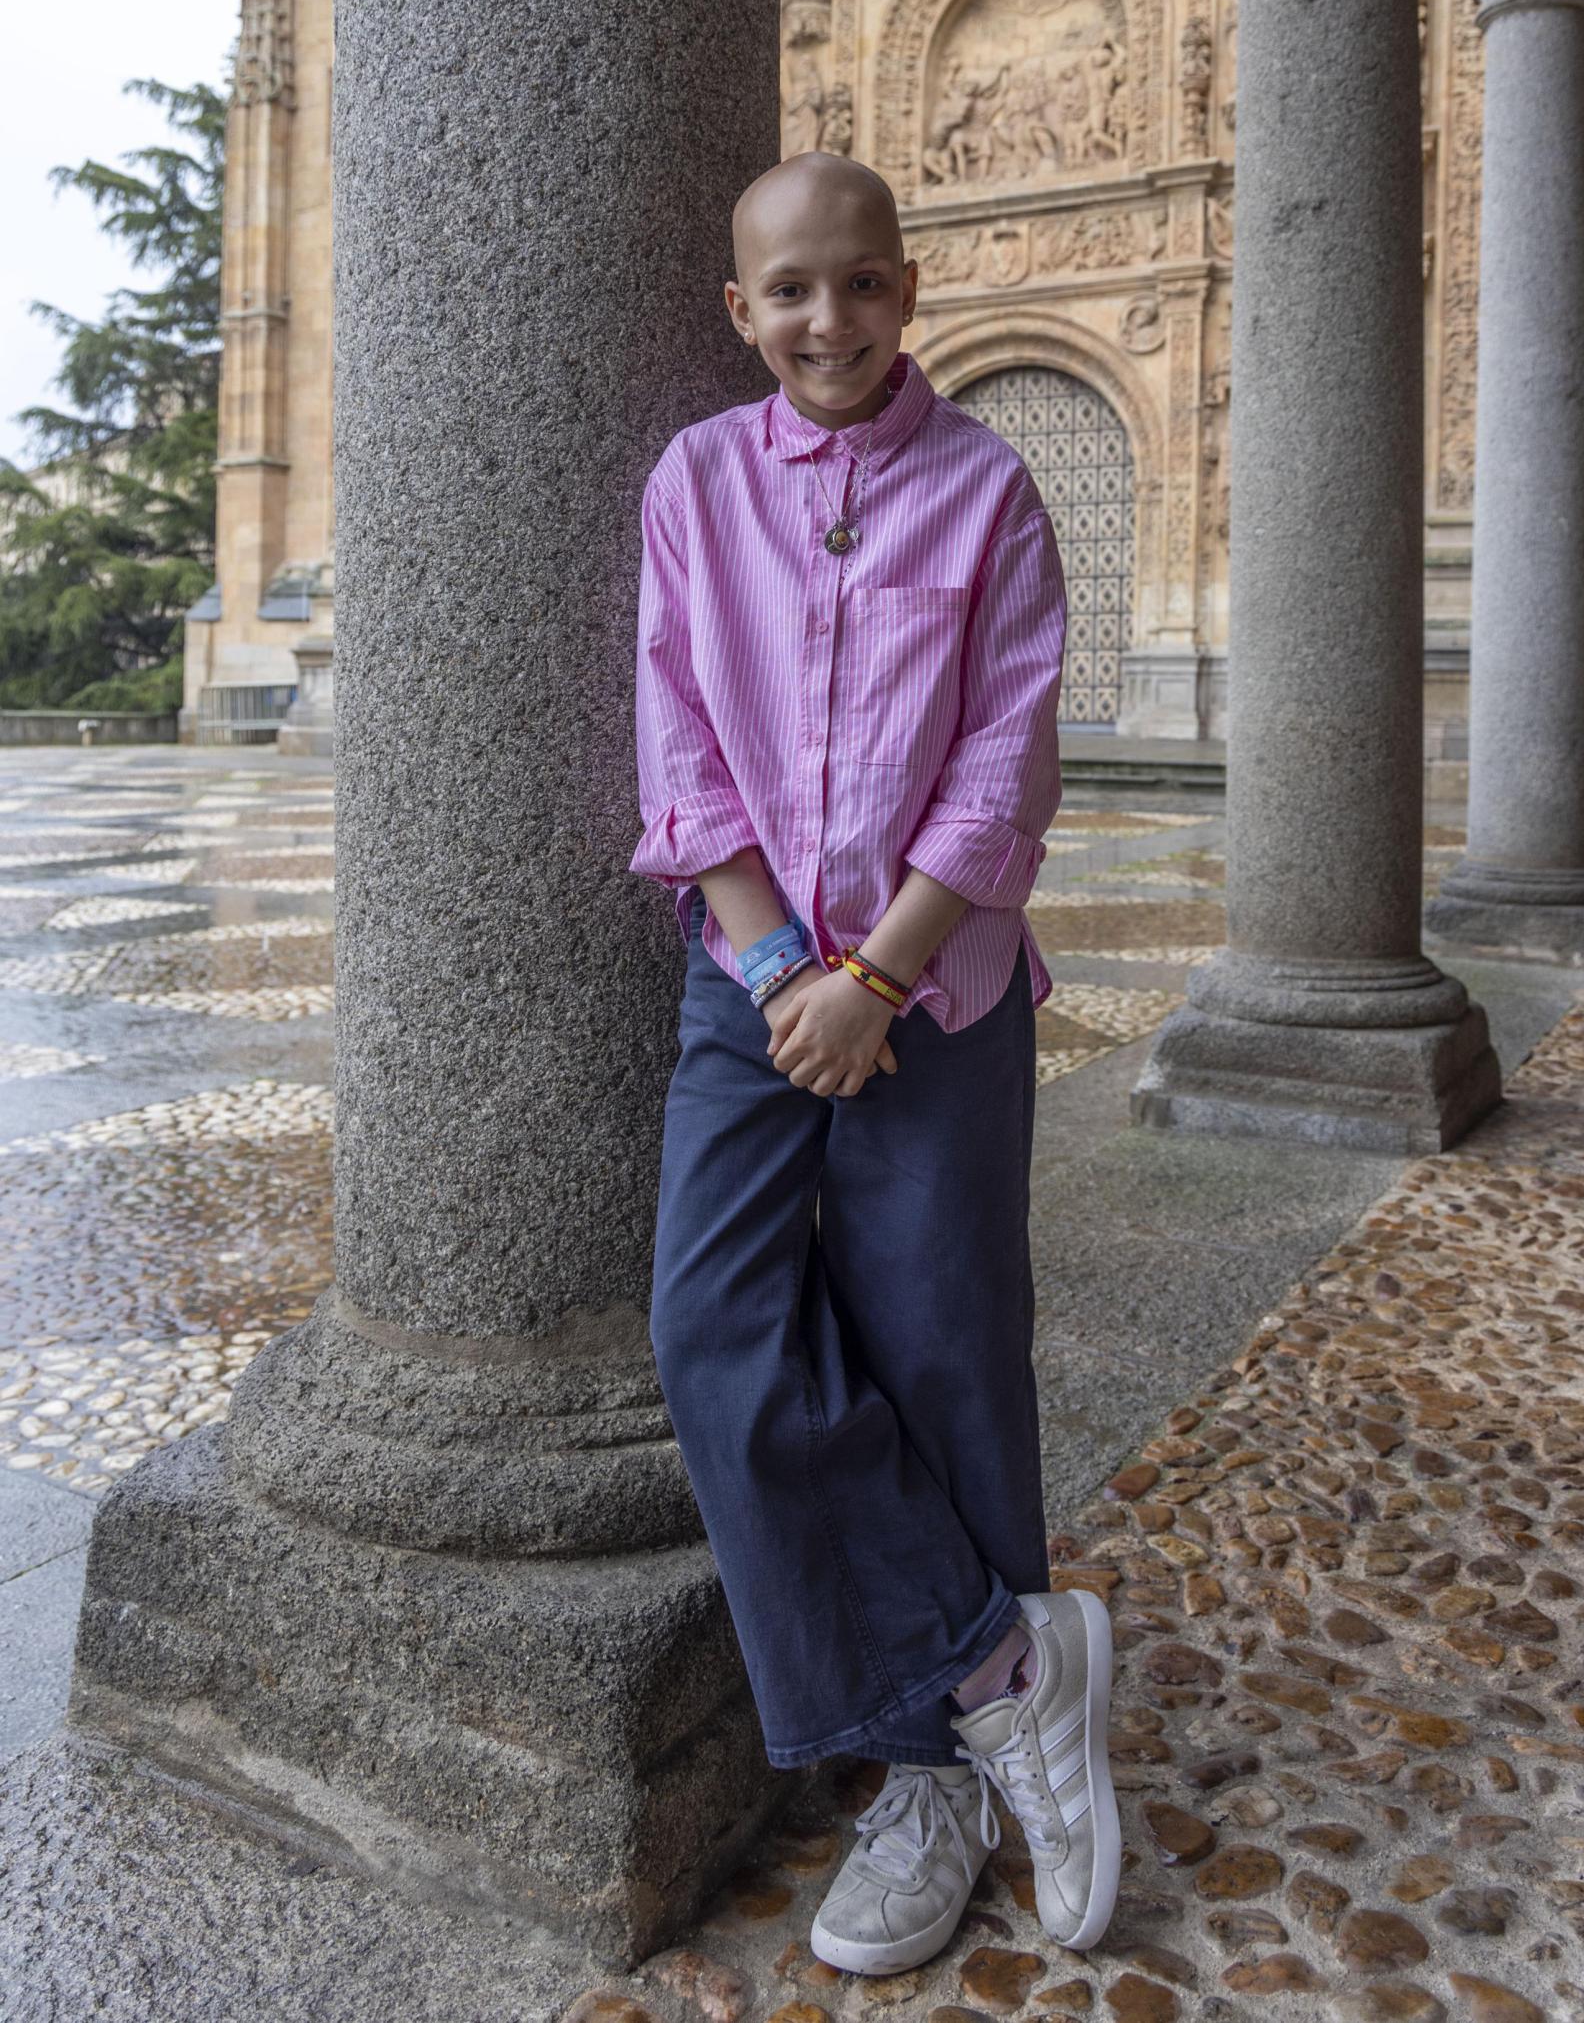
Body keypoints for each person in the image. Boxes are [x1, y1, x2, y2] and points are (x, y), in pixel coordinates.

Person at [630, 151, 1115, 1975]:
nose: (823, 321)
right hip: (752, 985)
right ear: (737, 308)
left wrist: (879, 982)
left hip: (943, 984)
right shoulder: (694, 483)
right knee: (710, 1324)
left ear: (908, 291)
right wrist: (780, 969)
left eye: (858, 286)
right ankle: (998, 1665)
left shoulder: (988, 490)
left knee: (940, 1345)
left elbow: (1004, 764)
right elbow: (682, 734)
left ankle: (932, 1780)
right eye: (787, 292)